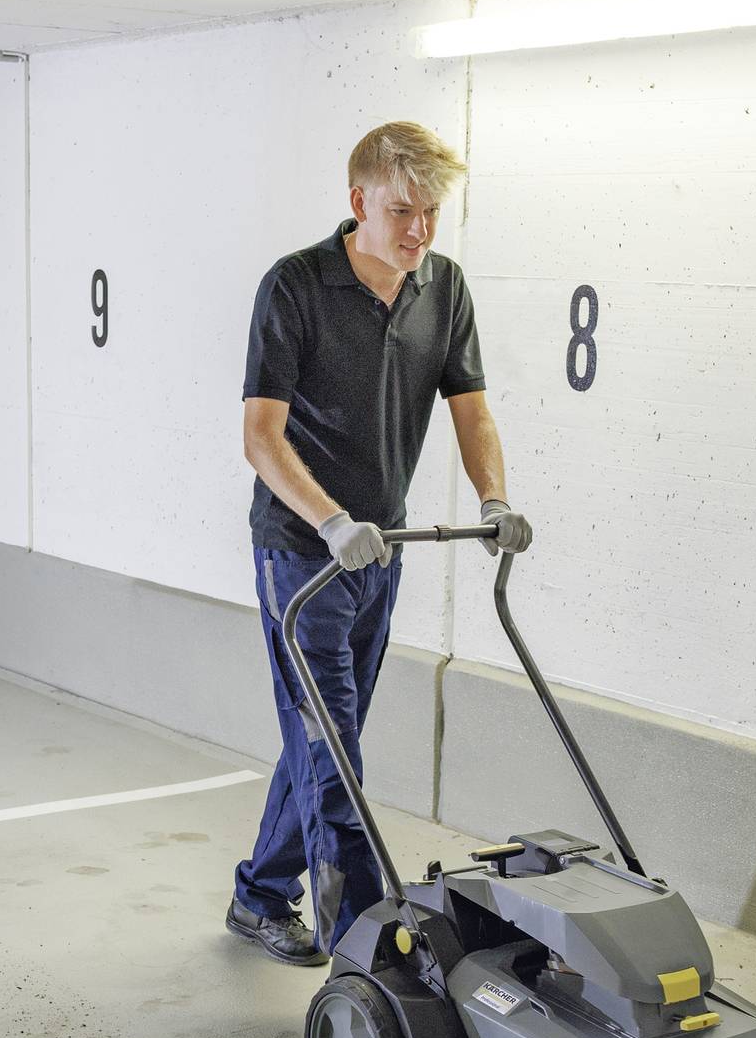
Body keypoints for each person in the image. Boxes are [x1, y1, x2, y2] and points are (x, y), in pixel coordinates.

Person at [227, 121, 530, 966]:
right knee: (332, 747)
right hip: (302, 552)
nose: (419, 230)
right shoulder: (294, 286)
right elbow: (260, 436)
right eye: (402, 210)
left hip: (380, 554)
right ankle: (372, 956)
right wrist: (329, 521)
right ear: (357, 200)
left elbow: (471, 409)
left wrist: (495, 497)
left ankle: (259, 894)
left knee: (323, 732)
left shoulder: (445, 288)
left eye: (432, 212)